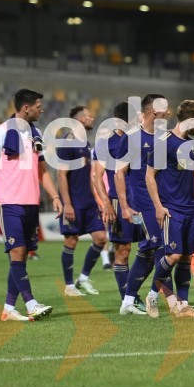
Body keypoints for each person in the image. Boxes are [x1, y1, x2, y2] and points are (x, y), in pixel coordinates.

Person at [0, 89, 61, 321]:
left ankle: (8, 308)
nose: (41, 109)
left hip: (30, 204)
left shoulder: (36, 135)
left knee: (22, 255)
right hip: (8, 202)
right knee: (16, 251)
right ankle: (31, 303)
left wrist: (55, 196)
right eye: (38, 105)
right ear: (26, 108)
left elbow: (42, 170)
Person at [145, 100, 194, 318]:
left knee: (185, 257)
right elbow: (150, 176)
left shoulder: (190, 144)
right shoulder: (164, 142)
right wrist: (158, 206)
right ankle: (153, 294)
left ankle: (183, 305)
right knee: (173, 255)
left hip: (189, 207)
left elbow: (191, 172)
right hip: (171, 207)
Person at [115, 94, 171, 316]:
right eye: (165, 108)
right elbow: (119, 173)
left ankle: (128, 300)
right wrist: (125, 207)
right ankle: (172, 300)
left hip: (159, 202)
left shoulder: (163, 137)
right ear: (154, 111)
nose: (169, 112)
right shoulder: (131, 138)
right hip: (140, 204)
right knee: (160, 248)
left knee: (148, 249)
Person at [92, 101, 145, 311]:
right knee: (123, 250)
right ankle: (128, 299)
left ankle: (159, 295)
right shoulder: (106, 143)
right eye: (136, 117)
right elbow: (97, 176)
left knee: (152, 248)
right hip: (118, 201)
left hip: (143, 201)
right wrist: (106, 203)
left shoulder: (143, 139)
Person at [56, 106, 107, 296]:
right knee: (71, 240)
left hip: (88, 202)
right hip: (74, 202)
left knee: (101, 238)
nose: (92, 117)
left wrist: (96, 200)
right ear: (79, 119)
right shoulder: (67, 142)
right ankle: (69, 286)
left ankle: (83, 279)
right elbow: (61, 175)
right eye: (88, 115)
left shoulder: (84, 142)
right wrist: (67, 203)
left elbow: (88, 175)